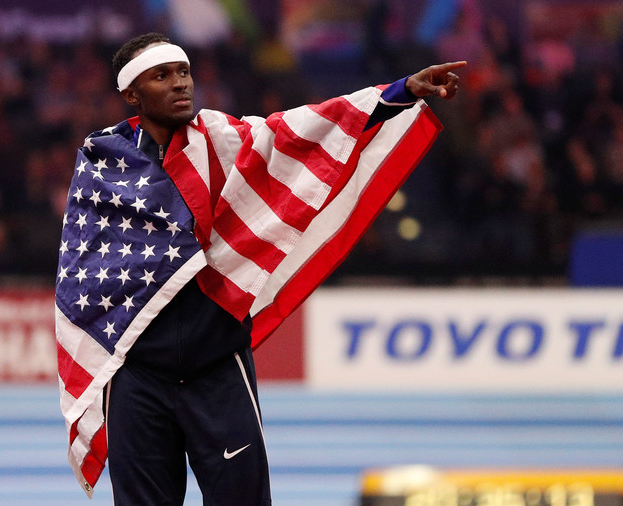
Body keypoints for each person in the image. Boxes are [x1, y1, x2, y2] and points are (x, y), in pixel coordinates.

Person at [54, 32, 465, 504]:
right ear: (132, 94)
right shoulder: (102, 163)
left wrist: (400, 92)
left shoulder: (223, 140)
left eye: (183, 72)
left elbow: (306, 130)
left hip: (216, 368)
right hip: (136, 374)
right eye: (161, 76)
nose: (180, 83)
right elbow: (81, 271)